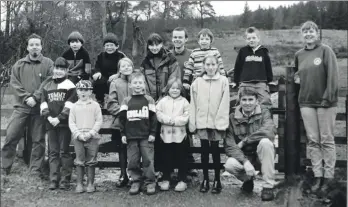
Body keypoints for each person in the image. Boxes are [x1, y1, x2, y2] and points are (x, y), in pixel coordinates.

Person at [294, 21, 339, 195]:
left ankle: (328, 178)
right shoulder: (299, 54)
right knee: (313, 140)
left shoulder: (326, 51)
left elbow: (333, 76)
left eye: (311, 31)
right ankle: (317, 176)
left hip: (324, 103)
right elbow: (298, 74)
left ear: (317, 33)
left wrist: (328, 98)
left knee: (326, 140)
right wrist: (297, 79)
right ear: (302, 35)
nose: (308, 34)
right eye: (305, 31)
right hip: (306, 103)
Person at [1, 34, 53, 178]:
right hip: (21, 107)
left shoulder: (48, 63)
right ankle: (5, 167)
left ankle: (35, 170)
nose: (34, 47)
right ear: (27, 47)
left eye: (37, 44)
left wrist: (36, 97)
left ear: (41, 46)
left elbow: (49, 82)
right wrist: (26, 97)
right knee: (11, 136)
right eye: (32, 45)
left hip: (39, 108)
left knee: (38, 139)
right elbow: (14, 83)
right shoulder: (19, 64)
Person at [223, 87, 277, 201]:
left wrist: (245, 141)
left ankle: (268, 186)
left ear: (257, 101)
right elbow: (230, 146)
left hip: (261, 156)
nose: (247, 103)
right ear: (240, 101)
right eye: (244, 100)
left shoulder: (264, 112)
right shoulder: (232, 118)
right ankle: (248, 179)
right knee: (229, 164)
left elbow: (269, 131)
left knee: (266, 142)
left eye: (251, 99)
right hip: (245, 156)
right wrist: (245, 161)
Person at [139, 33, 180, 175]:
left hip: (167, 101)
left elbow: (174, 78)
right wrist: (150, 99)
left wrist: (163, 96)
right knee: (154, 135)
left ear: (162, 44)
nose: (154, 48)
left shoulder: (170, 59)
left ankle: (170, 169)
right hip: (151, 102)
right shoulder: (145, 61)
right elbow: (142, 80)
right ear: (148, 46)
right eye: (151, 45)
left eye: (157, 44)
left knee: (167, 135)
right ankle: (156, 169)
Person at [189, 54, 230, 194]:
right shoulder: (197, 82)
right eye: (208, 65)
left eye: (213, 64)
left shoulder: (223, 81)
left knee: (215, 152)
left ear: (217, 66)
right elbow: (193, 103)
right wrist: (193, 122)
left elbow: (225, 103)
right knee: (204, 151)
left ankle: (217, 180)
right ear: (203, 66)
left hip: (216, 122)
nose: (210, 67)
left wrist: (220, 121)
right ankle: (205, 179)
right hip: (202, 122)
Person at [40, 57, 77, 190]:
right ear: (53, 69)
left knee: (64, 151)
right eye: (57, 68)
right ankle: (53, 179)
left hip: (64, 124)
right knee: (53, 152)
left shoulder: (70, 86)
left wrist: (59, 118)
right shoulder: (47, 86)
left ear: (67, 70)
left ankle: (65, 180)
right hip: (50, 124)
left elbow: (70, 105)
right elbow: (43, 104)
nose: (59, 71)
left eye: (62, 69)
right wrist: (49, 117)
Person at [119, 72, 157, 195]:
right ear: (130, 85)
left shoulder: (149, 99)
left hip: (146, 136)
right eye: (135, 83)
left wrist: (153, 133)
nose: (137, 85)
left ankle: (150, 182)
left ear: (144, 84)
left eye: (140, 83)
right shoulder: (126, 100)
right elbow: (122, 119)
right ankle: (135, 180)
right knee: (133, 160)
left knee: (148, 159)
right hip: (131, 136)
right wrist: (123, 134)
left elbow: (154, 118)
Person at [171, 27, 197, 176]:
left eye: (180, 37)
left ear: (186, 39)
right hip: (172, 98)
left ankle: (190, 163)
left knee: (188, 131)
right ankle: (173, 162)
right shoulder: (168, 55)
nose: (177, 40)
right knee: (172, 128)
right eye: (175, 37)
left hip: (188, 98)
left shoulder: (192, 55)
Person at [69, 80, 103, 193]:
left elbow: (99, 121)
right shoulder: (74, 106)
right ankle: (79, 184)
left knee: (91, 160)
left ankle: (90, 183)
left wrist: (91, 133)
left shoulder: (95, 105)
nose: (83, 92)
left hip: (92, 137)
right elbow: (71, 122)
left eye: (86, 90)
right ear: (77, 91)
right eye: (80, 90)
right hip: (79, 137)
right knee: (79, 160)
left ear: (90, 92)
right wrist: (78, 134)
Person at [156, 78, 190, 192]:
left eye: (177, 88)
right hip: (165, 136)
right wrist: (167, 119)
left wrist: (175, 121)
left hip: (180, 136)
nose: (175, 90)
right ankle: (166, 178)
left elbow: (187, 115)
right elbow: (158, 112)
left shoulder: (184, 101)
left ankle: (182, 179)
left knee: (181, 157)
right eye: (172, 88)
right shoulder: (163, 101)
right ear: (168, 89)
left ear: (181, 90)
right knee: (166, 157)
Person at [106, 57, 134, 188]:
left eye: (129, 65)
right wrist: (123, 112)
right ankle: (123, 175)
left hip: (137, 120)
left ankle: (135, 175)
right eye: (123, 66)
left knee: (135, 148)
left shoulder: (138, 80)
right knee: (122, 148)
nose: (126, 68)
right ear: (119, 68)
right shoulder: (115, 83)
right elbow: (111, 104)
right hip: (121, 120)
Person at [232, 27, 273, 108]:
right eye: (249, 38)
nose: (251, 40)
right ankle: (242, 120)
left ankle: (264, 120)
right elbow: (238, 67)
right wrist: (236, 81)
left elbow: (268, 67)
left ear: (258, 39)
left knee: (265, 103)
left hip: (260, 83)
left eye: (254, 38)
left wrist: (269, 79)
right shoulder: (243, 51)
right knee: (242, 104)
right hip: (245, 83)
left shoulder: (264, 51)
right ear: (246, 40)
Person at [92, 33, 126, 107]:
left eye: (111, 45)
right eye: (107, 45)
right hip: (105, 79)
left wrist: (118, 75)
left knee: (119, 84)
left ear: (117, 46)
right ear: (104, 46)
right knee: (98, 81)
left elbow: (126, 68)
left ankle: (118, 103)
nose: (109, 47)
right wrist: (97, 72)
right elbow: (97, 67)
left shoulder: (121, 56)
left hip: (117, 79)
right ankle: (100, 101)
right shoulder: (101, 56)